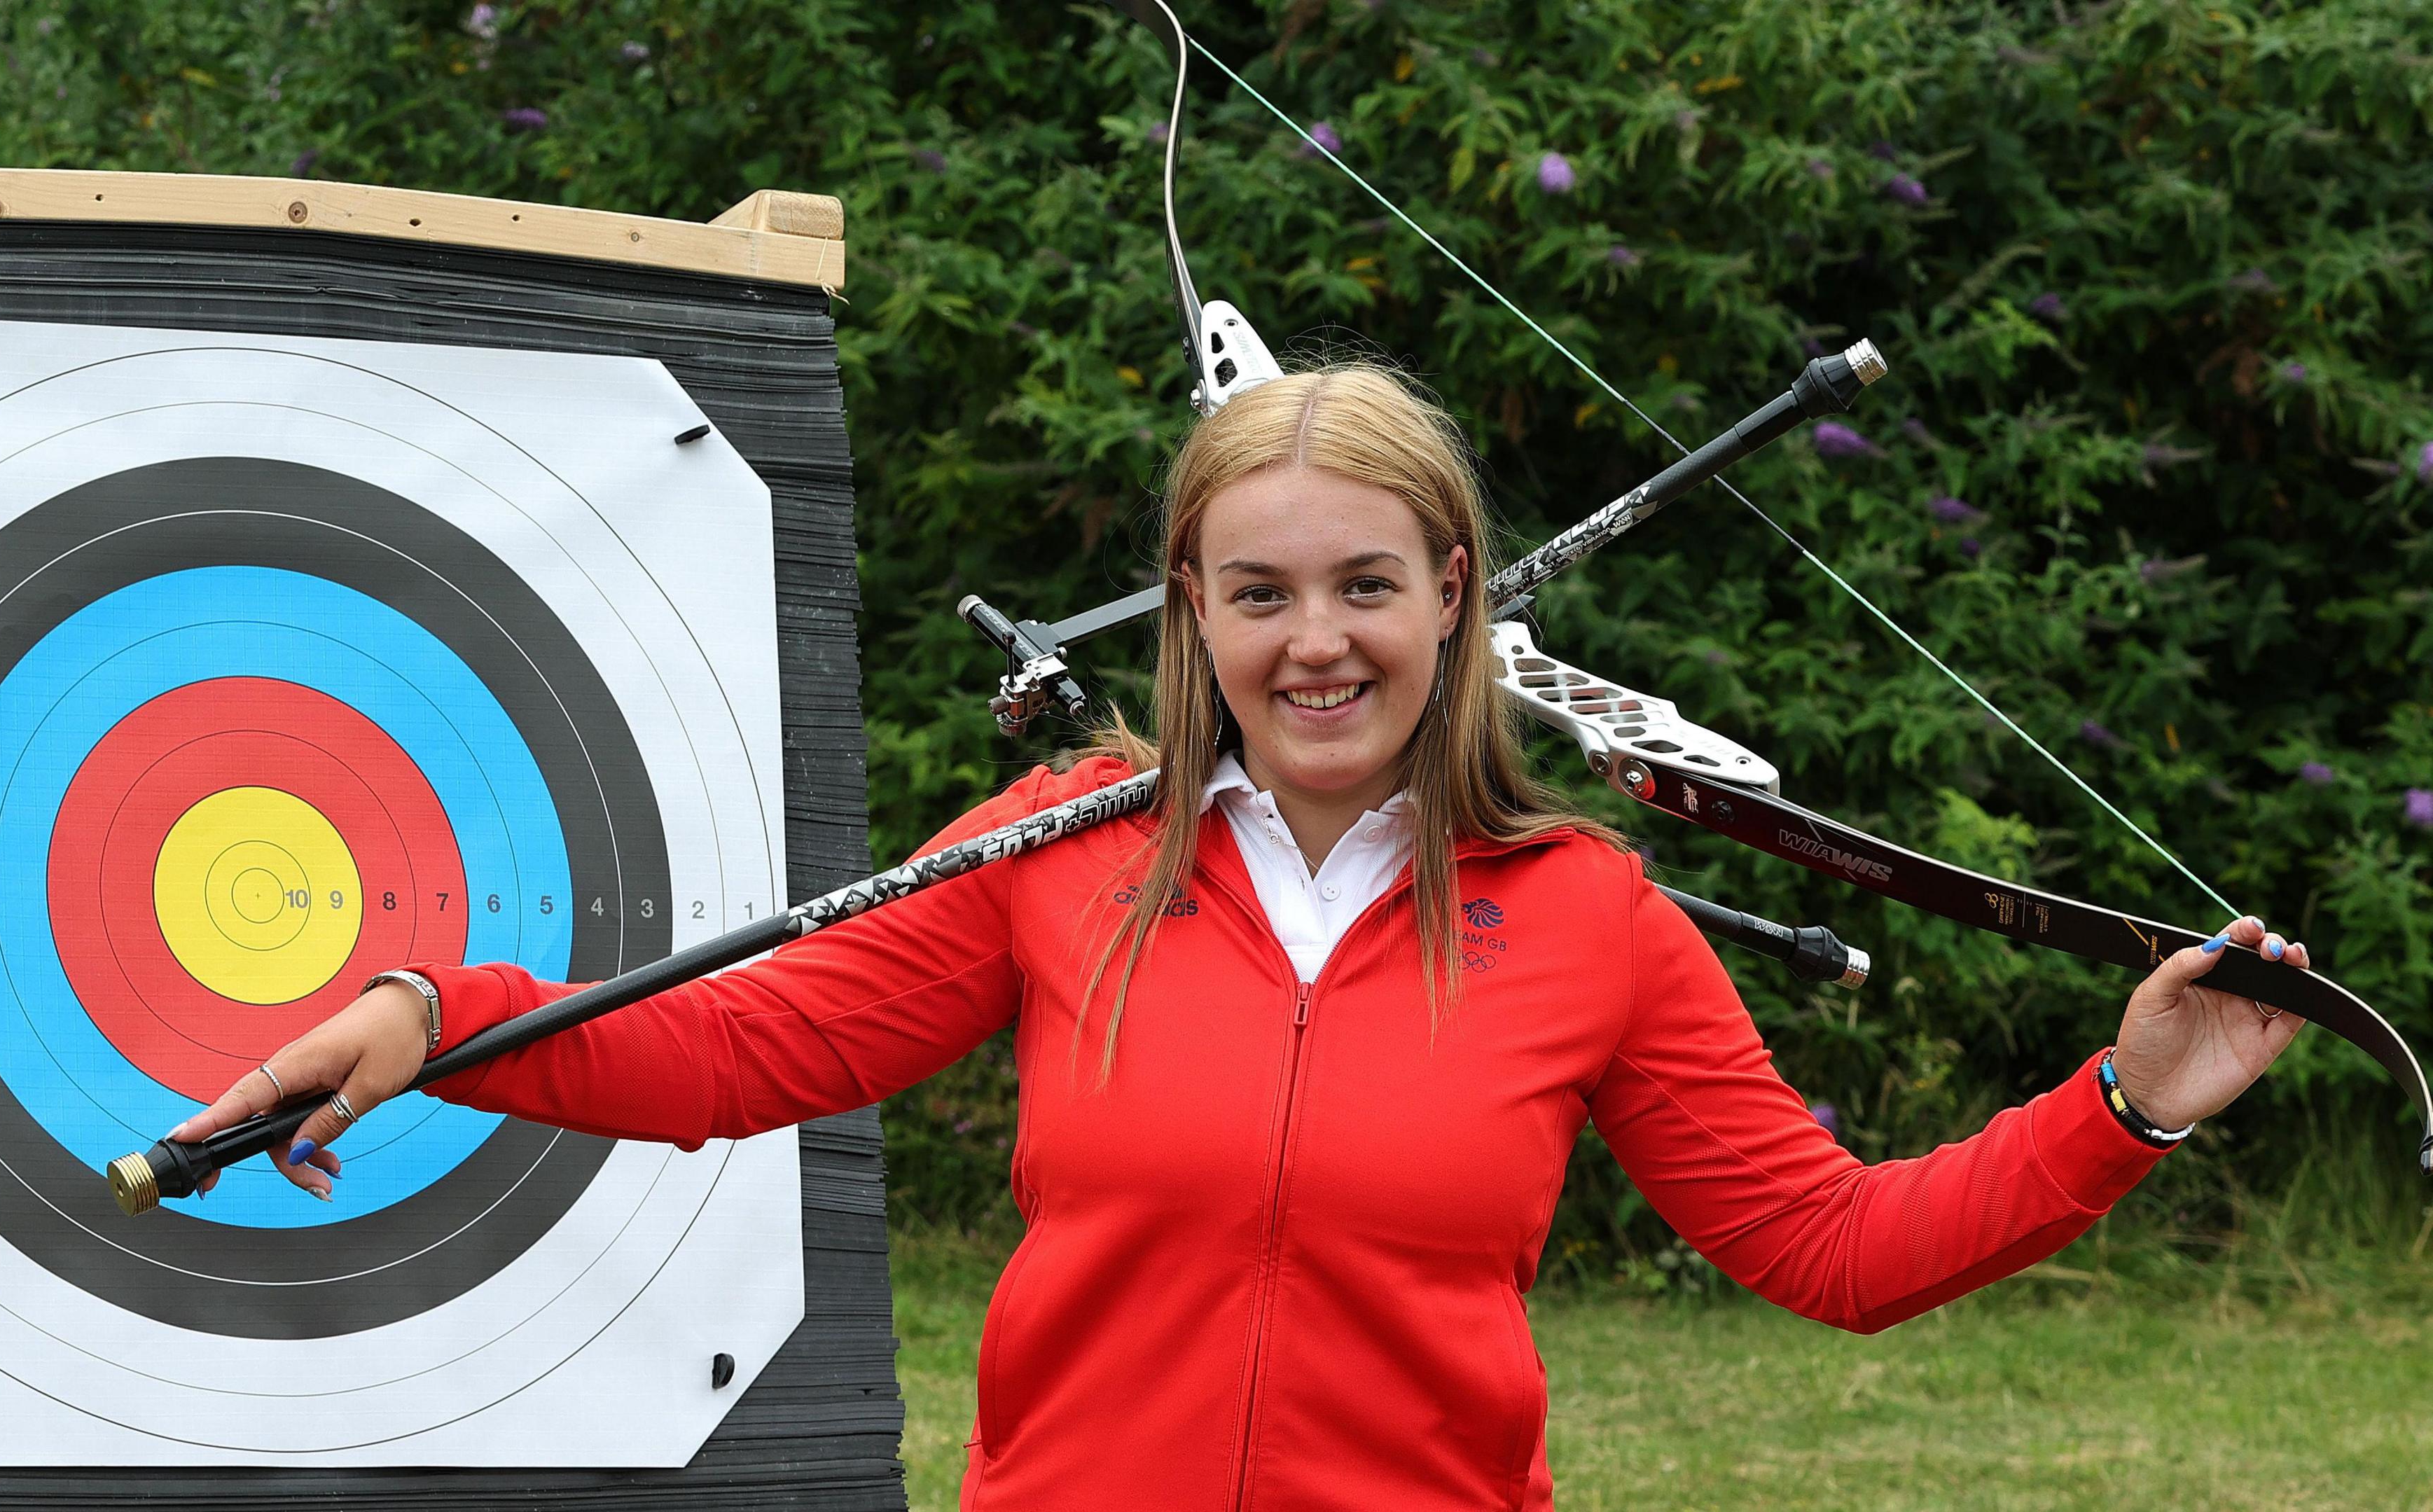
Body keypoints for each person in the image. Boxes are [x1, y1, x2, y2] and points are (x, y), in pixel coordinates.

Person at [176, 364, 2311, 1511]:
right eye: (1261, 590)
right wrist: (437, 1015)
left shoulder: (1589, 917)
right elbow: (745, 1051)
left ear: (1458, 596)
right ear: (1188, 606)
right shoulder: (1054, 849)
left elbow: (1829, 1253)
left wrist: (2130, 1103)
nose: (1317, 643)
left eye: (1367, 585)